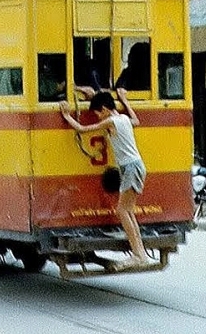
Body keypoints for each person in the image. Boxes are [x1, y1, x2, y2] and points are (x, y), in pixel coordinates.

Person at [59, 89, 153, 270]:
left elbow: (82, 129)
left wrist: (67, 115)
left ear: (104, 110)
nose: (98, 118)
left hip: (130, 167)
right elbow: (137, 120)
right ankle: (140, 253)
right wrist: (124, 100)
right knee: (128, 211)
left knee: (123, 211)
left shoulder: (111, 121)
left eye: (98, 114)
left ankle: (138, 255)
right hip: (136, 166)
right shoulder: (124, 119)